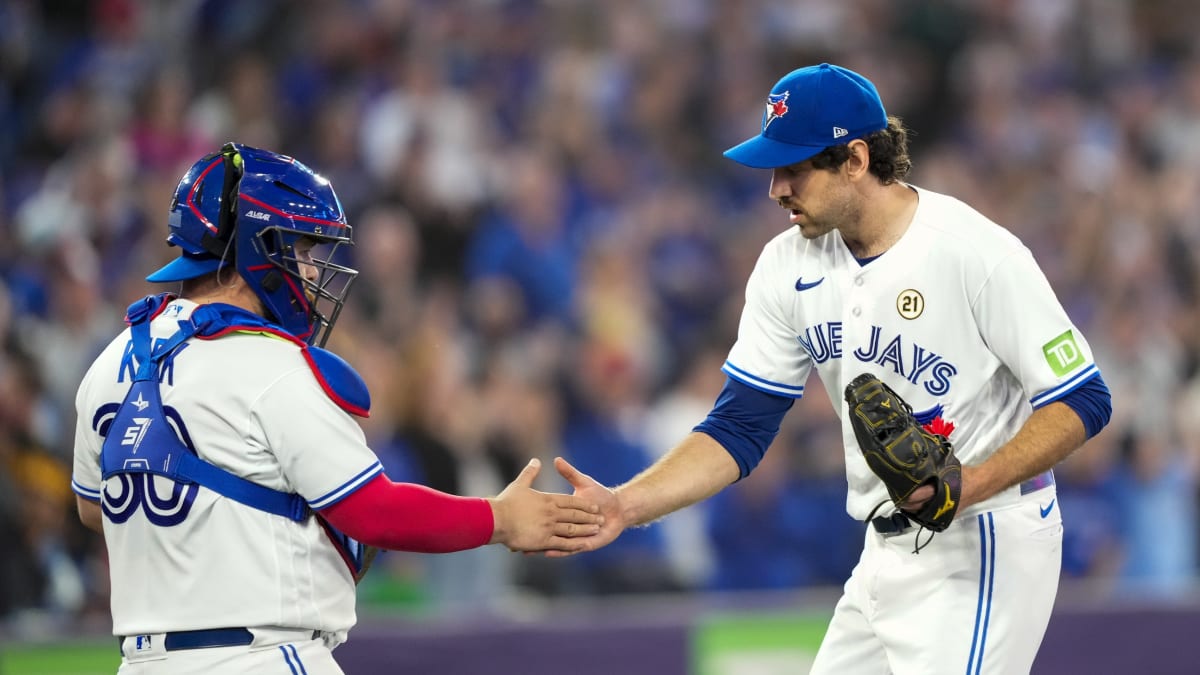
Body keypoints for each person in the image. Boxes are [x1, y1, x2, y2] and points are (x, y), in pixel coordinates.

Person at [554, 63, 1112, 674]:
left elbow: (1084, 399)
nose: (776, 189)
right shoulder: (784, 266)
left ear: (854, 159)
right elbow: (738, 427)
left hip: (985, 535)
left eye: (794, 168)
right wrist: (625, 505)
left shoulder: (975, 252)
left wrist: (970, 482)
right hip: (882, 550)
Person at [70, 143, 603, 675]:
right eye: (302, 248)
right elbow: (374, 512)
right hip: (264, 657)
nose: (312, 269)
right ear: (260, 246)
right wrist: (500, 519)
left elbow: (96, 509)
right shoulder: (269, 364)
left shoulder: (108, 363)